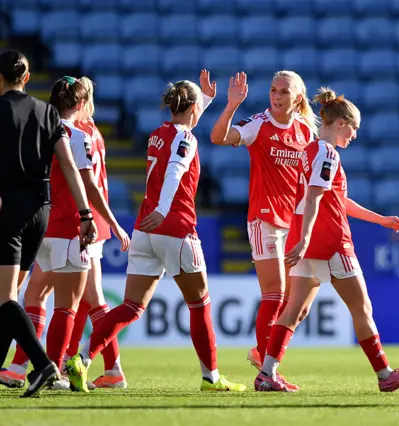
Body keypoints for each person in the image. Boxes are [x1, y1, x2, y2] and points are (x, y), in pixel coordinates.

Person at [66, 73, 246, 394]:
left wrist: (205, 99)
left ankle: (81, 357)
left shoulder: (157, 134)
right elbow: (176, 169)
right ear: (192, 109)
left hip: (144, 229)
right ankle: (211, 377)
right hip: (174, 227)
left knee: (131, 307)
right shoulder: (186, 139)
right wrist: (164, 209)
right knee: (199, 303)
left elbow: (184, 125)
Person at [254, 88, 399, 393]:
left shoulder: (309, 151)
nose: (355, 135)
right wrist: (308, 238)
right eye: (354, 128)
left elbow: (336, 199)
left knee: (295, 310)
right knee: (361, 308)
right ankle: (384, 374)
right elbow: (313, 198)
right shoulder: (327, 153)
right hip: (332, 240)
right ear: (340, 123)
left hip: (306, 238)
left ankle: (266, 373)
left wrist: (381, 219)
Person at [0, 77, 131, 391]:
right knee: (68, 302)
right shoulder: (85, 133)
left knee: (50, 298)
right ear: (81, 102)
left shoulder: (45, 127)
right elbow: (87, 180)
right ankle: (45, 367)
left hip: (51, 223)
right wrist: (108, 220)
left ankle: (45, 367)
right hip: (72, 225)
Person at [0, 50, 97, 398]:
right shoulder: (47, 113)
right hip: (41, 212)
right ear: (26, 78)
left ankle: (42, 365)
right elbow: (70, 167)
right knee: (9, 297)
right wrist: (87, 216)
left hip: (8, 210)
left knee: (8, 298)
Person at [210, 71, 316, 372]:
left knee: (295, 303)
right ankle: (267, 369)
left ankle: (262, 353)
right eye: (273, 90)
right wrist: (232, 105)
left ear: (297, 97)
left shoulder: (305, 133)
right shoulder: (259, 123)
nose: (277, 96)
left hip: (291, 224)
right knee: (274, 294)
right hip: (264, 218)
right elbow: (218, 137)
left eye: (284, 91)